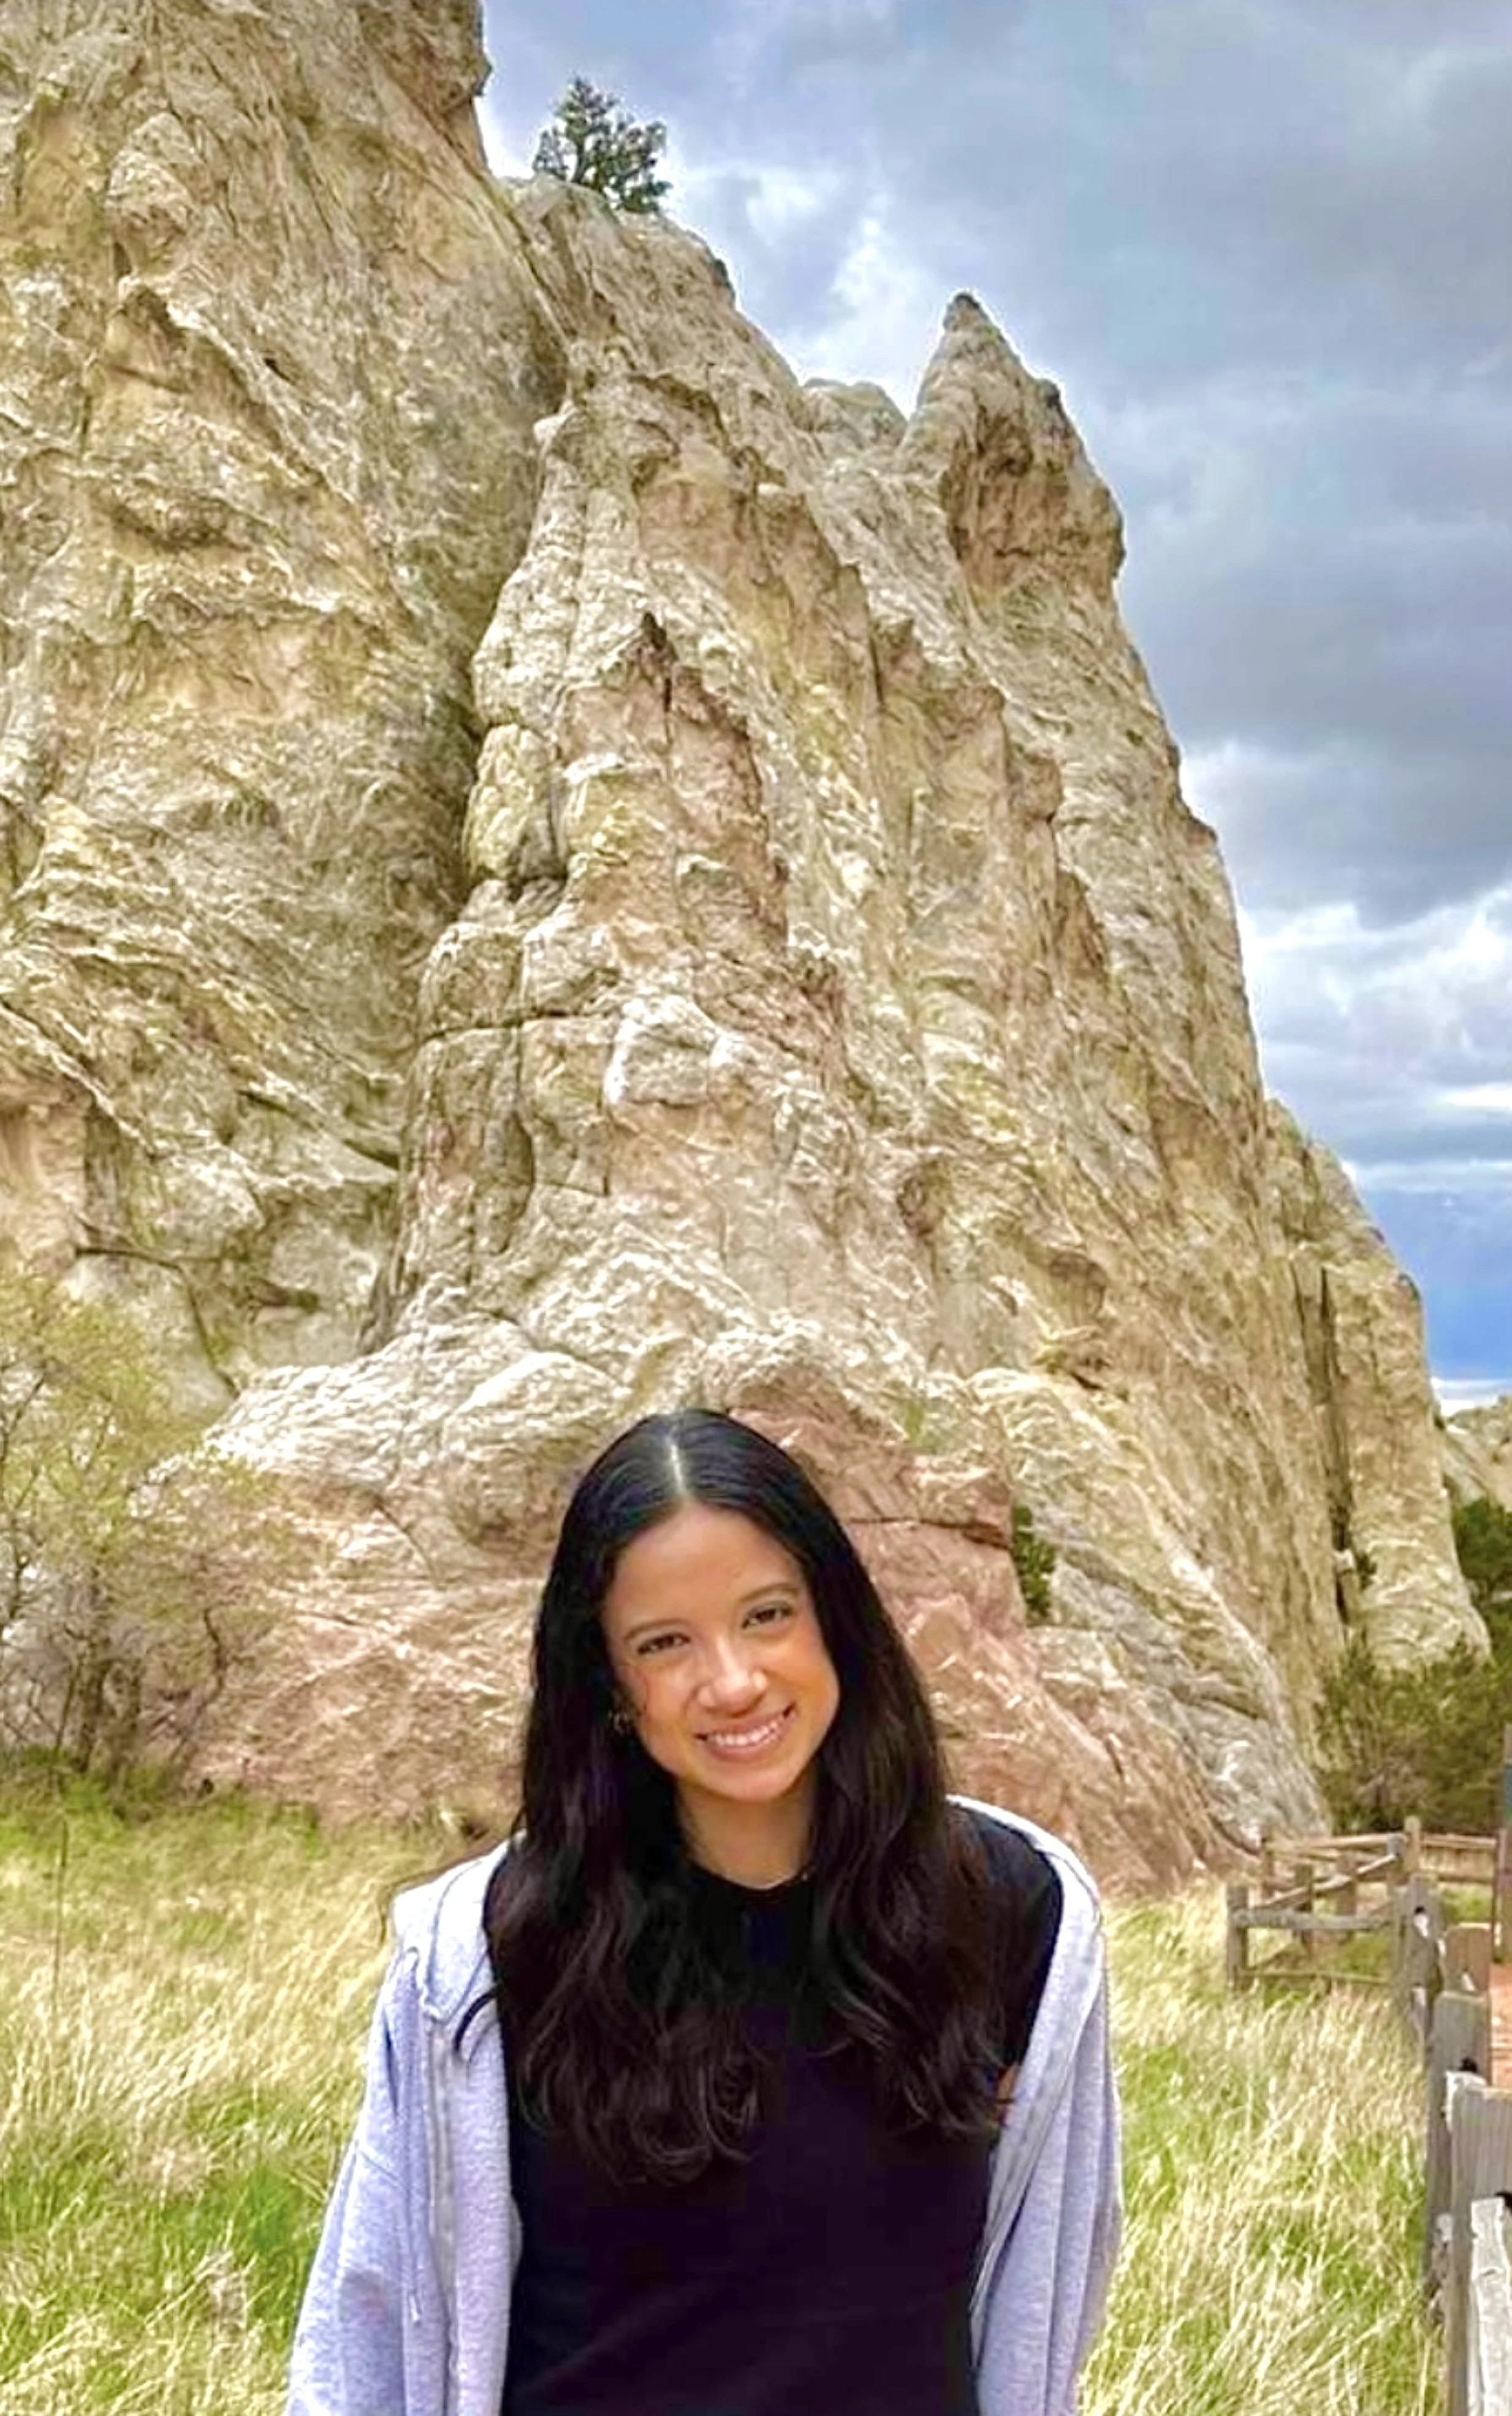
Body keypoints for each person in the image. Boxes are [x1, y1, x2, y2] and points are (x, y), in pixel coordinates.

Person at [287, 1408, 1120, 2416]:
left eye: (767, 1614)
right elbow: (368, 2338)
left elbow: (1047, 2294)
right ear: (606, 1679)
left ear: (835, 1621)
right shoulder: (487, 1955)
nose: (731, 1682)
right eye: (664, 1642)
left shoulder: (1014, 1916)